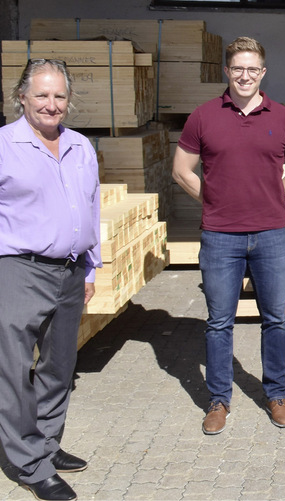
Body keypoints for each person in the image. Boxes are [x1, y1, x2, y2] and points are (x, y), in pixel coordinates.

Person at [172, 37, 285, 434]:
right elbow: (182, 169)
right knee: (218, 322)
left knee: (275, 318)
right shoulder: (203, 116)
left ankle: (276, 394)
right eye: (237, 68)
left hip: (271, 236)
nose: (244, 75)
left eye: (252, 69)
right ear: (226, 72)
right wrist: (212, 201)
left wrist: (269, 199)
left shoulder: (284, 117)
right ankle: (218, 400)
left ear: (262, 73)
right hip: (220, 238)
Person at [0, 59, 101, 501]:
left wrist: (93, 266)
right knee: (14, 371)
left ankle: (46, 443)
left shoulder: (81, 147)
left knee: (58, 367)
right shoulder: (4, 145)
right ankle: (28, 463)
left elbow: (91, 207)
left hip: (71, 271)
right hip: (20, 268)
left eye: (59, 96)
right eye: (41, 95)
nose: (51, 104)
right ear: (21, 96)